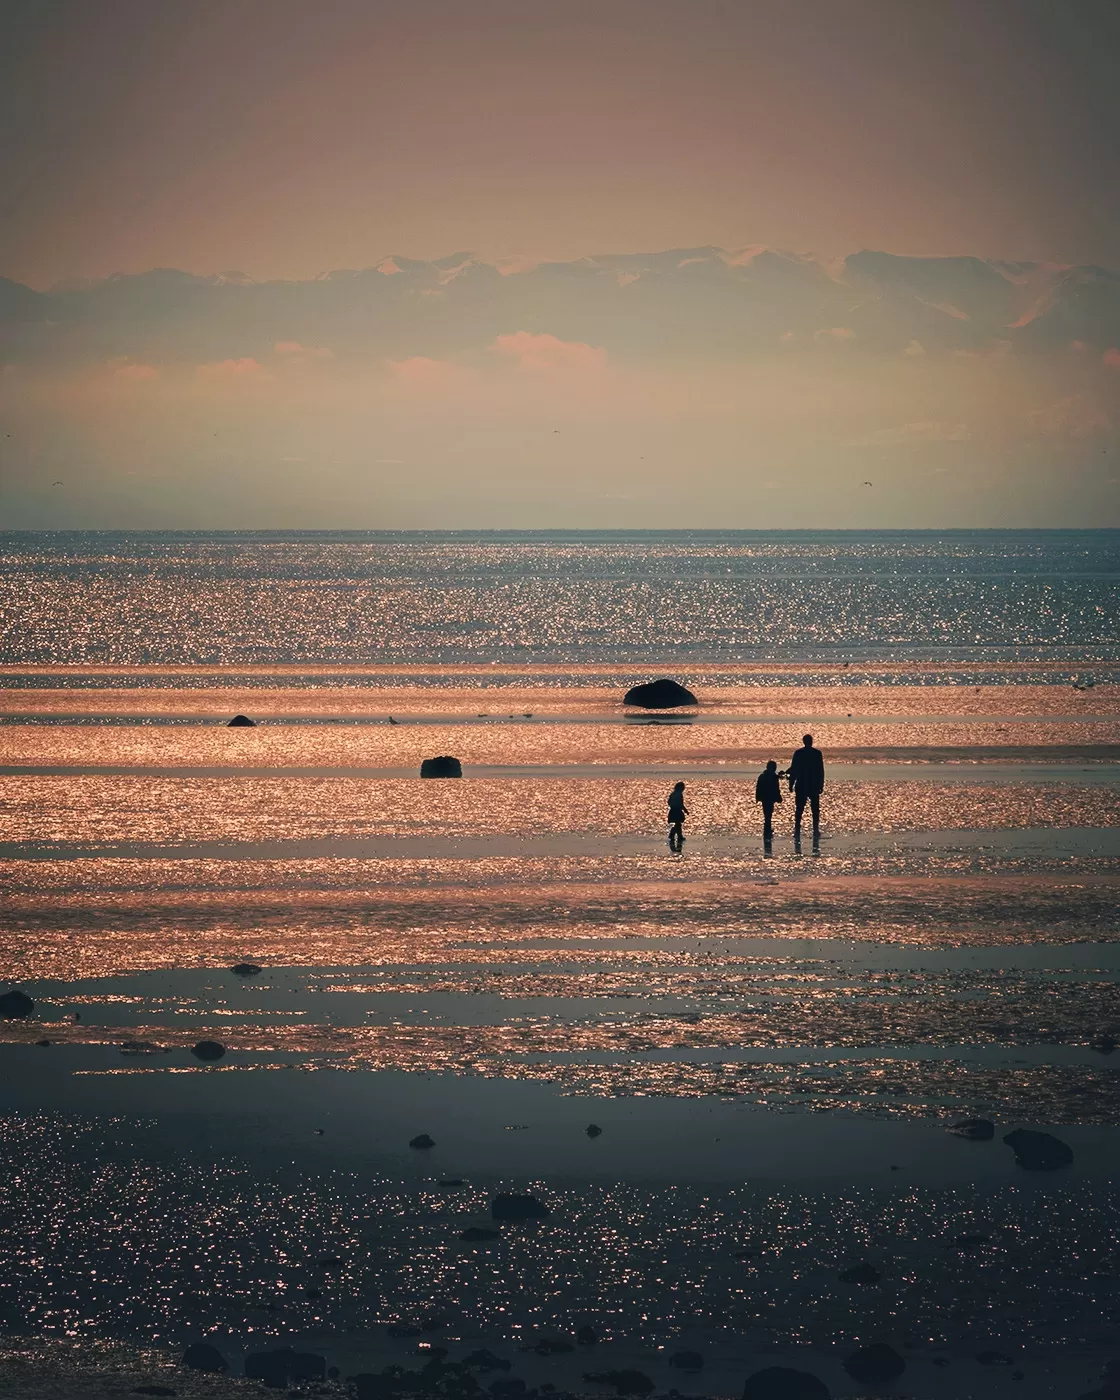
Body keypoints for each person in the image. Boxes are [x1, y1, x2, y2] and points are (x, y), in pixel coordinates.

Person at [787, 734, 824, 842]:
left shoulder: (799, 753)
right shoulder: (816, 754)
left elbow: (794, 770)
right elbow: (820, 771)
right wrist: (821, 784)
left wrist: (791, 784)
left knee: (800, 809)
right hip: (812, 784)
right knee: (814, 810)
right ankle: (815, 830)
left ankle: (797, 830)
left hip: (803, 784)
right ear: (811, 742)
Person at [754, 759, 782, 843]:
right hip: (769, 798)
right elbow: (776, 789)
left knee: (767, 814)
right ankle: (767, 830)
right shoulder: (772, 777)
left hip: (764, 798)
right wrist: (778, 797)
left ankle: (767, 829)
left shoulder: (762, 776)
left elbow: (758, 788)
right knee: (768, 814)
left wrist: (757, 797)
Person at [667, 781, 688, 850]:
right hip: (677, 810)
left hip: (673, 810)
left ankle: (678, 836)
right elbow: (680, 804)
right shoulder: (679, 794)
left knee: (678, 824)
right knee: (678, 824)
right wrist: (685, 810)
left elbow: (669, 802)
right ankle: (673, 835)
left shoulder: (673, 793)